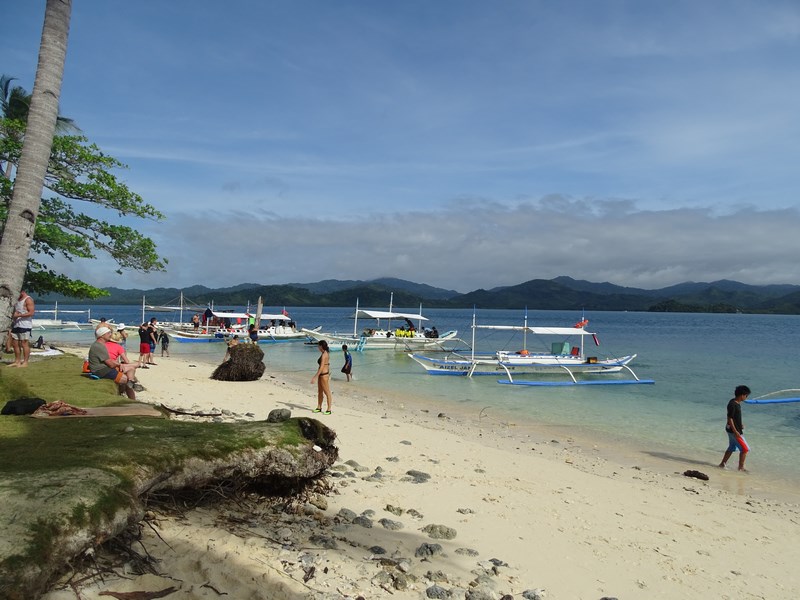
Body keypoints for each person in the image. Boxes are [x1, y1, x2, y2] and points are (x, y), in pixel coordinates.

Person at [89, 326, 136, 399]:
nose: (110, 335)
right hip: (101, 371)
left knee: (130, 370)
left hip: (104, 368)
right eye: (108, 333)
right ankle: (128, 396)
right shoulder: (99, 346)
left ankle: (129, 391)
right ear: (102, 335)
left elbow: (108, 360)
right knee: (125, 380)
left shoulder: (100, 345)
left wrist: (119, 364)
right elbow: (110, 364)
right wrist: (118, 365)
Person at [719, 385, 752, 472]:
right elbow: (729, 418)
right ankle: (741, 467)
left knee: (732, 447)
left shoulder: (736, 403)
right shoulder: (732, 404)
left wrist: (740, 424)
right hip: (733, 431)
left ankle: (722, 464)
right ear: (742, 395)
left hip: (731, 429)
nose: (746, 397)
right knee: (745, 449)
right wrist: (735, 431)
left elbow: (735, 417)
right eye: (746, 395)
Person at [9, 289, 35, 368]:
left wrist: (18, 316)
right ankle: (17, 361)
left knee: (24, 343)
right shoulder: (17, 300)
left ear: (22, 292)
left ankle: (25, 362)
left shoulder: (28, 299)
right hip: (16, 324)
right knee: (15, 344)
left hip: (25, 325)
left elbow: (31, 313)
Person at [311, 340, 332, 414]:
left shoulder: (324, 354)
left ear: (321, 346)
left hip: (323, 375)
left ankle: (329, 409)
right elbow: (327, 364)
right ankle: (319, 407)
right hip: (322, 375)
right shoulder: (323, 353)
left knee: (327, 392)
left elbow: (322, 366)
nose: (317, 347)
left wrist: (315, 377)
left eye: (318, 346)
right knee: (320, 392)